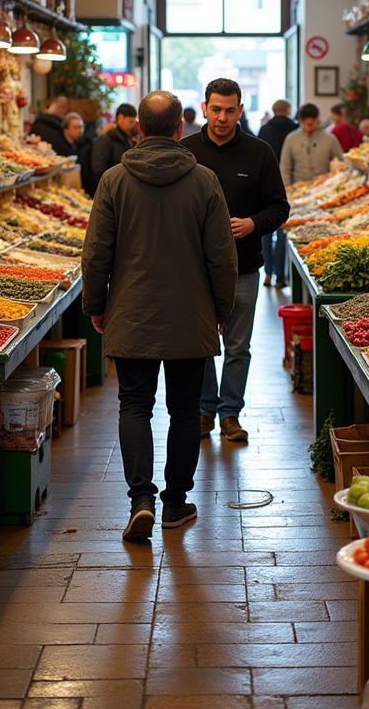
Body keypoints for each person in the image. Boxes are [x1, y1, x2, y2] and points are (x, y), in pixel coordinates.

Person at [82, 91, 237, 541]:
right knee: (185, 410)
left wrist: (96, 304)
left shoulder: (113, 180)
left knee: (134, 405)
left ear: (138, 129)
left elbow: (96, 254)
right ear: (180, 129)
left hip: (131, 311)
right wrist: (221, 309)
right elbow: (222, 258)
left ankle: (140, 500)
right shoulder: (205, 179)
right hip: (191, 315)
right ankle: (174, 503)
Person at [183, 78, 290, 444]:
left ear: (241, 110)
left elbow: (280, 207)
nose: (222, 117)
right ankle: (204, 409)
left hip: (244, 266)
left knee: (238, 346)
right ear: (204, 108)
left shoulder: (259, 152)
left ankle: (230, 414)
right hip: (194, 271)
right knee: (200, 345)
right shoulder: (186, 151)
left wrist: (253, 223)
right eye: (216, 109)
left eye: (230, 110)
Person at [257, 100, 299, 288]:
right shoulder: (295, 130)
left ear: (274, 111)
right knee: (283, 230)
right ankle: (281, 276)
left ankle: (267, 272)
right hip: (291, 184)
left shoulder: (265, 130)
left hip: (265, 184)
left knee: (265, 231)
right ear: (288, 111)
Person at [280, 103, 344, 185]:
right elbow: (285, 167)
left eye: (311, 124)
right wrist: (286, 188)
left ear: (317, 119)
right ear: (300, 120)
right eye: (306, 123)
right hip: (298, 188)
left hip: (323, 187)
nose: (309, 126)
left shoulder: (330, 139)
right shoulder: (291, 139)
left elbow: (341, 163)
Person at [89, 103, 138, 195]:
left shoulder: (129, 139)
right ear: (120, 118)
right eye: (130, 122)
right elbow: (98, 170)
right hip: (110, 191)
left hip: (123, 189)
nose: (133, 125)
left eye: (134, 122)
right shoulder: (106, 139)